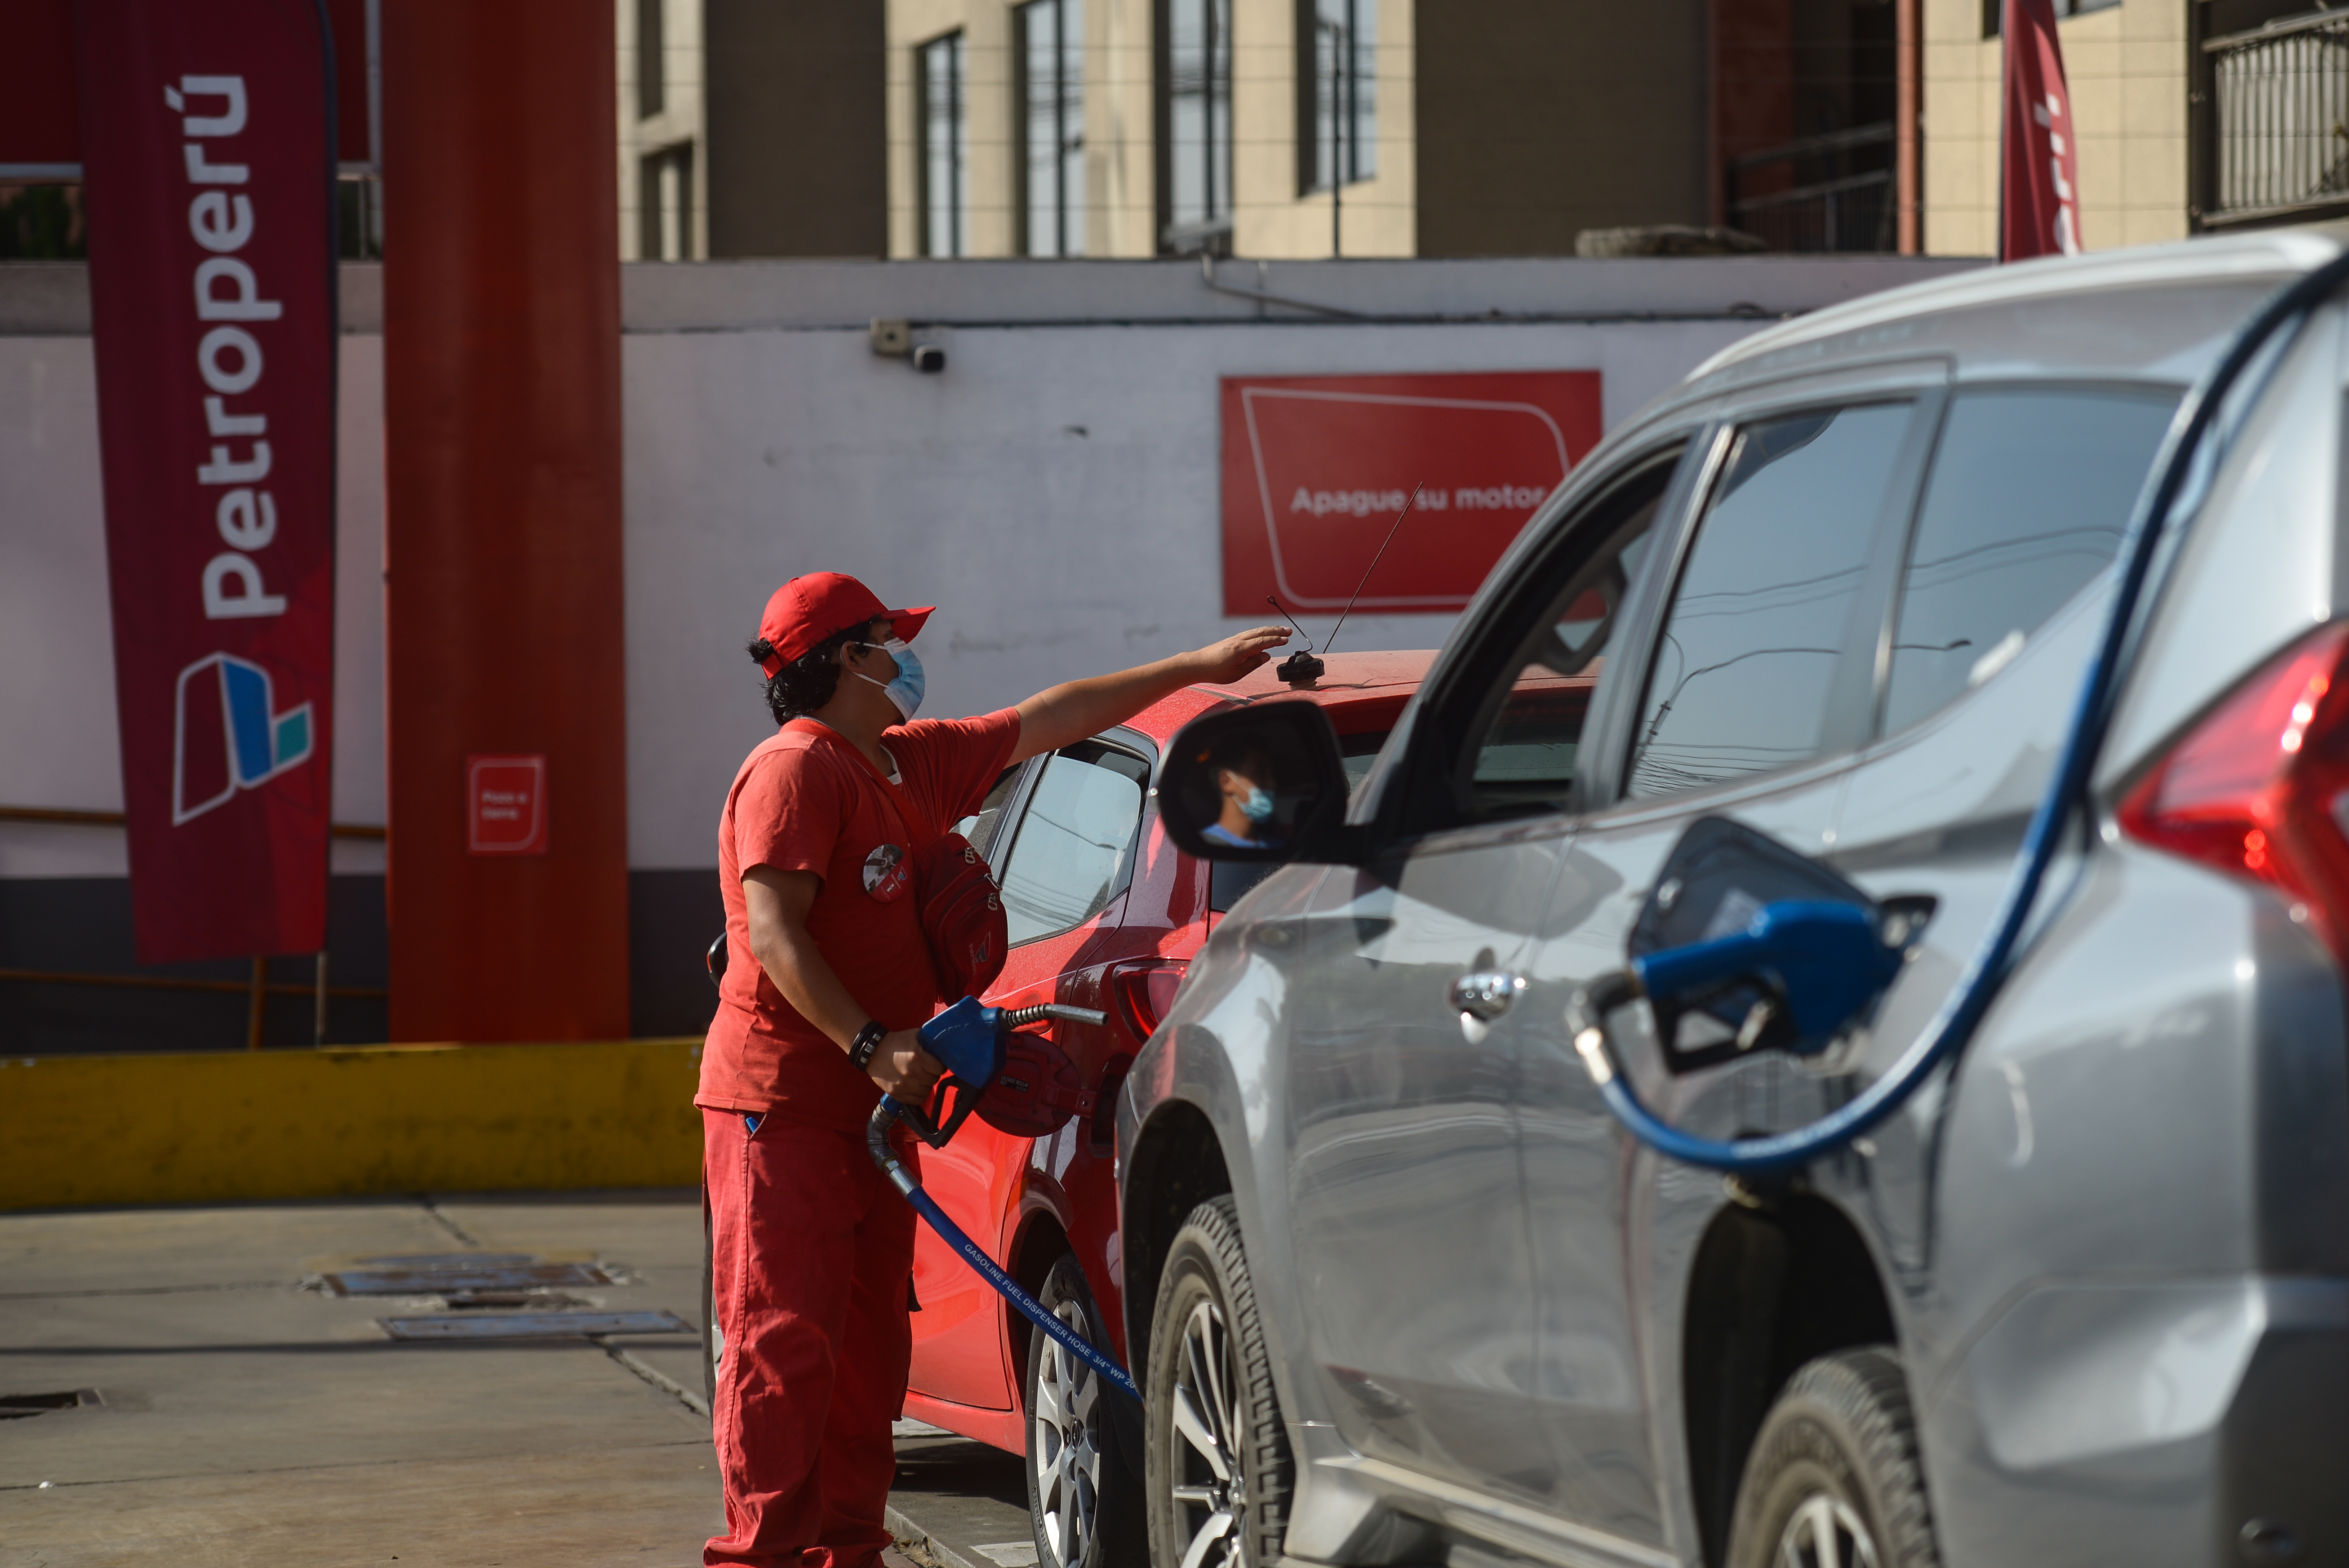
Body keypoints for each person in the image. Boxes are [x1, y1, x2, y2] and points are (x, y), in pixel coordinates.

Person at [700, 571, 1287, 1568]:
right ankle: (762, 1556)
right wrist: (870, 1045)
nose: (909, 659)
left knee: (867, 1350)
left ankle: (847, 1551)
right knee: (782, 1345)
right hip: (782, 1107)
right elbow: (773, 933)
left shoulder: (905, 763)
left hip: (877, 1110)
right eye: (892, 640)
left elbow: (1052, 716)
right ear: (850, 658)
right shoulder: (794, 771)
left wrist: (1201, 667)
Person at [1199, 741, 1284, 849]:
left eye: (1272, 775)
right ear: (1226, 782)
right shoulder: (1206, 845)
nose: (1273, 783)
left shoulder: (1279, 848)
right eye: (1260, 773)